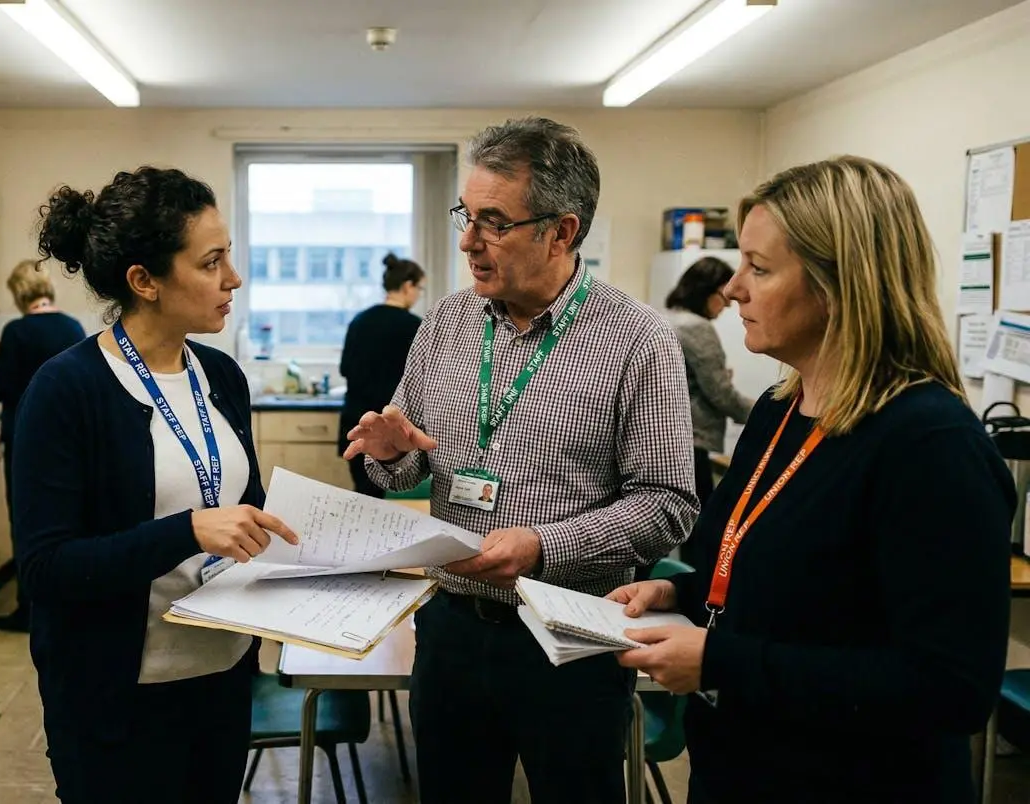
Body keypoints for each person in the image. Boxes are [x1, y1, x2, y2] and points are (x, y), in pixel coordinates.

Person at [611, 156, 1013, 804]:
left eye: (759, 269)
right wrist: (676, 597)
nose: (734, 288)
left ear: (840, 285)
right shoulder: (777, 411)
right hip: (742, 768)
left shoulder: (931, 446)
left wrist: (719, 662)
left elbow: (950, 687)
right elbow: (779, 593)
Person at [344, 116, 698, 803]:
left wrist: (542, 546)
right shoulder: (445, 322)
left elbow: (667, 504)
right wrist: (389, 457)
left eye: (494, 222)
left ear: (561, 232)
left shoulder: (638, 341)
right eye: (466, 216)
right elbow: (409, 466)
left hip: (568, 636)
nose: (468, 242)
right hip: (450, 630)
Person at [11, 167, 298, 803]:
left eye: (230, 256)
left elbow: (238, 507)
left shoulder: (221, 375)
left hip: (221, 676)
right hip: (116, 698)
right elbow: (45, 568)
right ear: (144, 281)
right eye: (212, 262)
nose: (234, 279)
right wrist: (187, 530)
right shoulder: (66, 390)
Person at [0, 260, 87, 632]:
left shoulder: (17, 331)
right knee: (66, 522)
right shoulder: (73, 326)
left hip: (26, 437)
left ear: (19, 293)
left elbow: (6, 389)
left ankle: (27, 608)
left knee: (26, 521)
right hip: (70, 439)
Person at [663, 256, 756, 552]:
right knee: (701, 536)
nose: (728, 303)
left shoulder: (668, 317)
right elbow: (721, 394)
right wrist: (770, 413)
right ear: (705, 291)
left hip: (668, 439)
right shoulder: (697, 327)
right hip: (692, 442)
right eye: (722, 293)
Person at [337, 253, 425, 497]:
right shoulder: (415, 327)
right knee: (392, 506)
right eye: (419, 288)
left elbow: (345, 369)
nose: (418, 295)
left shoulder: (360, 321)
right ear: (408, 286)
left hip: (357, 423)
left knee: (365, 498)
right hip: (390, 432)